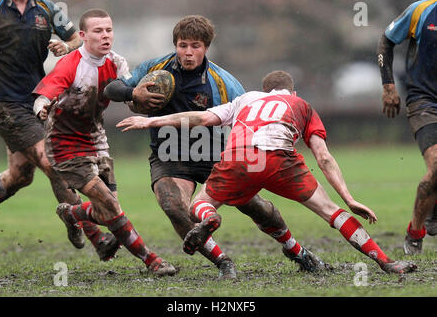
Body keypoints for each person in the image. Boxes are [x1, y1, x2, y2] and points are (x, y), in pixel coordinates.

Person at [117, 70, 418, 275]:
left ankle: (210, 218)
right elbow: (323, 157)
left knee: (197, 206)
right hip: (279, 160)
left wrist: (151, 122)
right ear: (292, 91)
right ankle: (387, 263)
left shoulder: (245, 100)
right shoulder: (301, 104)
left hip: (238, 158)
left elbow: (201, 118)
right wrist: (349, 197)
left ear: (265, 90)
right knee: (332, 212)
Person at [105, 15, 326, 278]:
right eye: (182, 45)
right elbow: (111, 89)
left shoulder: (224, 82)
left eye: (195, 46)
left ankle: (295, 250)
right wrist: (133, 94)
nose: (188, 52)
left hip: (215, 154)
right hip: (169, 155)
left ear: (206, 47)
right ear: (175, 44)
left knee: (255, 206)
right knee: (173, 205)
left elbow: (249, 117)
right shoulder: (155, 69)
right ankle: (223, 263)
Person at [33, 8, 176, 276]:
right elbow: (43, 95)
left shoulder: (117, 63)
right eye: (98, 31)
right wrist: (40, 107)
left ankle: (72, 214)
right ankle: (153, 261)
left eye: (109, 30)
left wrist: (142, 100)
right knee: (109, 206)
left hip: (97, 140)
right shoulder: (71, 63)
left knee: (107, 211)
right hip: (64, 145)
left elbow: (131, 98)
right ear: (84, 36)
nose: (106, 35)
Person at [0, 0, 118, 260]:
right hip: (7, 106)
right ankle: (94, 234)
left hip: (39, 101)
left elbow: (76, 40)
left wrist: (65, 46)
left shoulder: (47, 8)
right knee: (53, 163)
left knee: (20, 176)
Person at [377, 0, 437, 255]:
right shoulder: (422, 10)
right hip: (425, 100)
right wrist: (388, 85)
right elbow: (386, 41)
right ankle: (416, 231)